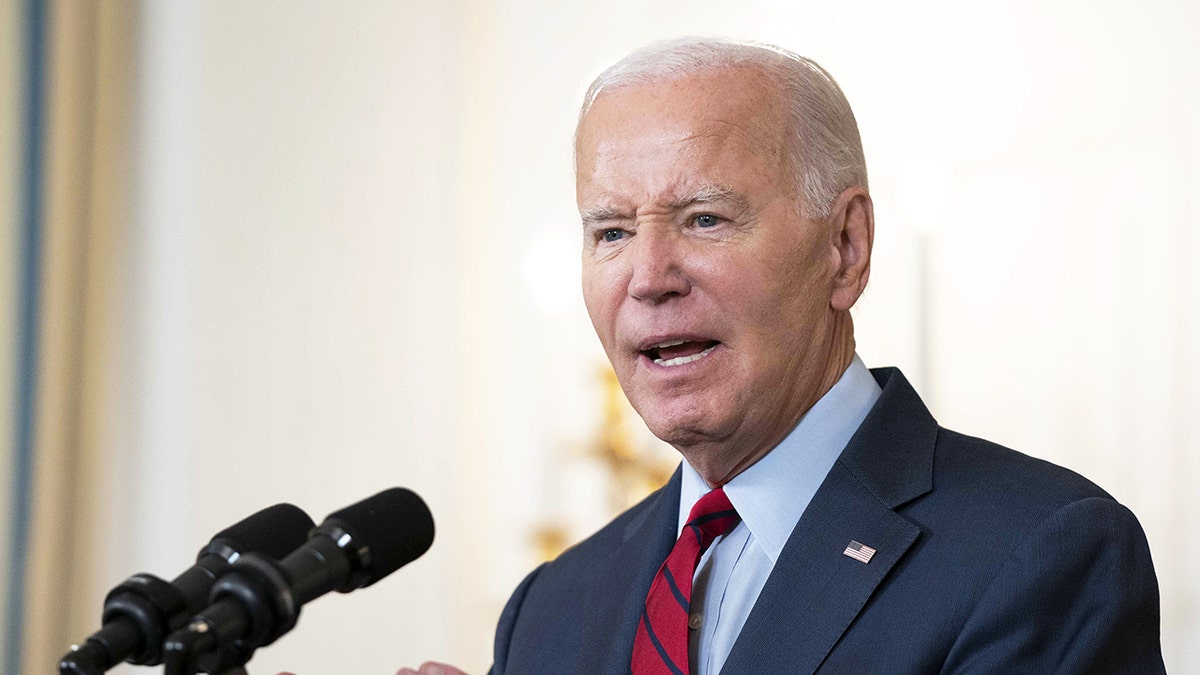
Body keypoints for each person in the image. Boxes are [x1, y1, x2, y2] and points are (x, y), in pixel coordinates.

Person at [402, 37, 1164, 674]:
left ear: (845, 247)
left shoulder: (1044, 555)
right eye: (611, 231)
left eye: (704, 218)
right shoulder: (551, 606)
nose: (648, 276)